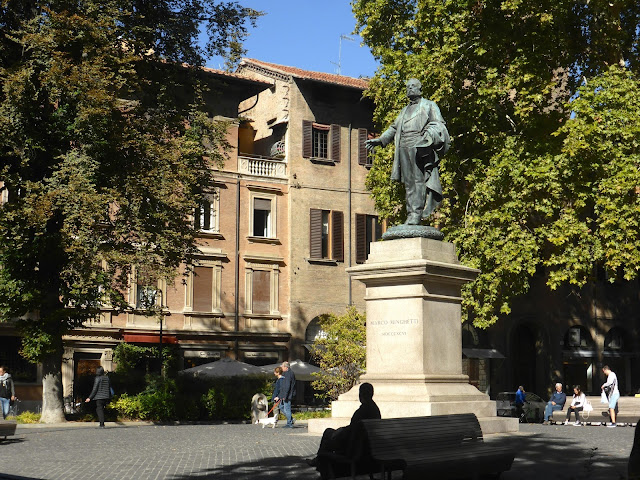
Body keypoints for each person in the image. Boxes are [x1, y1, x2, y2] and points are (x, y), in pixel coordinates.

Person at [365, 78, 450, 225]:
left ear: (420, 89)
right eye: (408, 87)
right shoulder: (404, 111)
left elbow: (439, 124)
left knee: (418, 180)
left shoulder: (429, 105)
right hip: (404, 147)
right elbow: (393, 128)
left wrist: (429, 136)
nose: (410, 89)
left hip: (420, 146)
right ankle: (411, 213)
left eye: (413, 86)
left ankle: (416, 214)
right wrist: (381, 139)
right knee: (409, 183)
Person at [307, 382, 381, 476]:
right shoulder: (375, 410)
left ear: (360, 394)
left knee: (328, 434)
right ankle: (319, 460)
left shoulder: (361, 411)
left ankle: (320, 461)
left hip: (353, 449)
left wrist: (339, 432)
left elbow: (353, 431)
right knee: (329, 432)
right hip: (366, 447)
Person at [274, 361, 296, 428]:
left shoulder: (288, 374)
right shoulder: (286, 373)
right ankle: (291, 419)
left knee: (287, 409)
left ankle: (289, 423)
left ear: (286, 367)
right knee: (281, 407)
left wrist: (284, 396)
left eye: (282, 366)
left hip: (287, 395)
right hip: (285, 394)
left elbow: (287, 386)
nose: (281, 367)